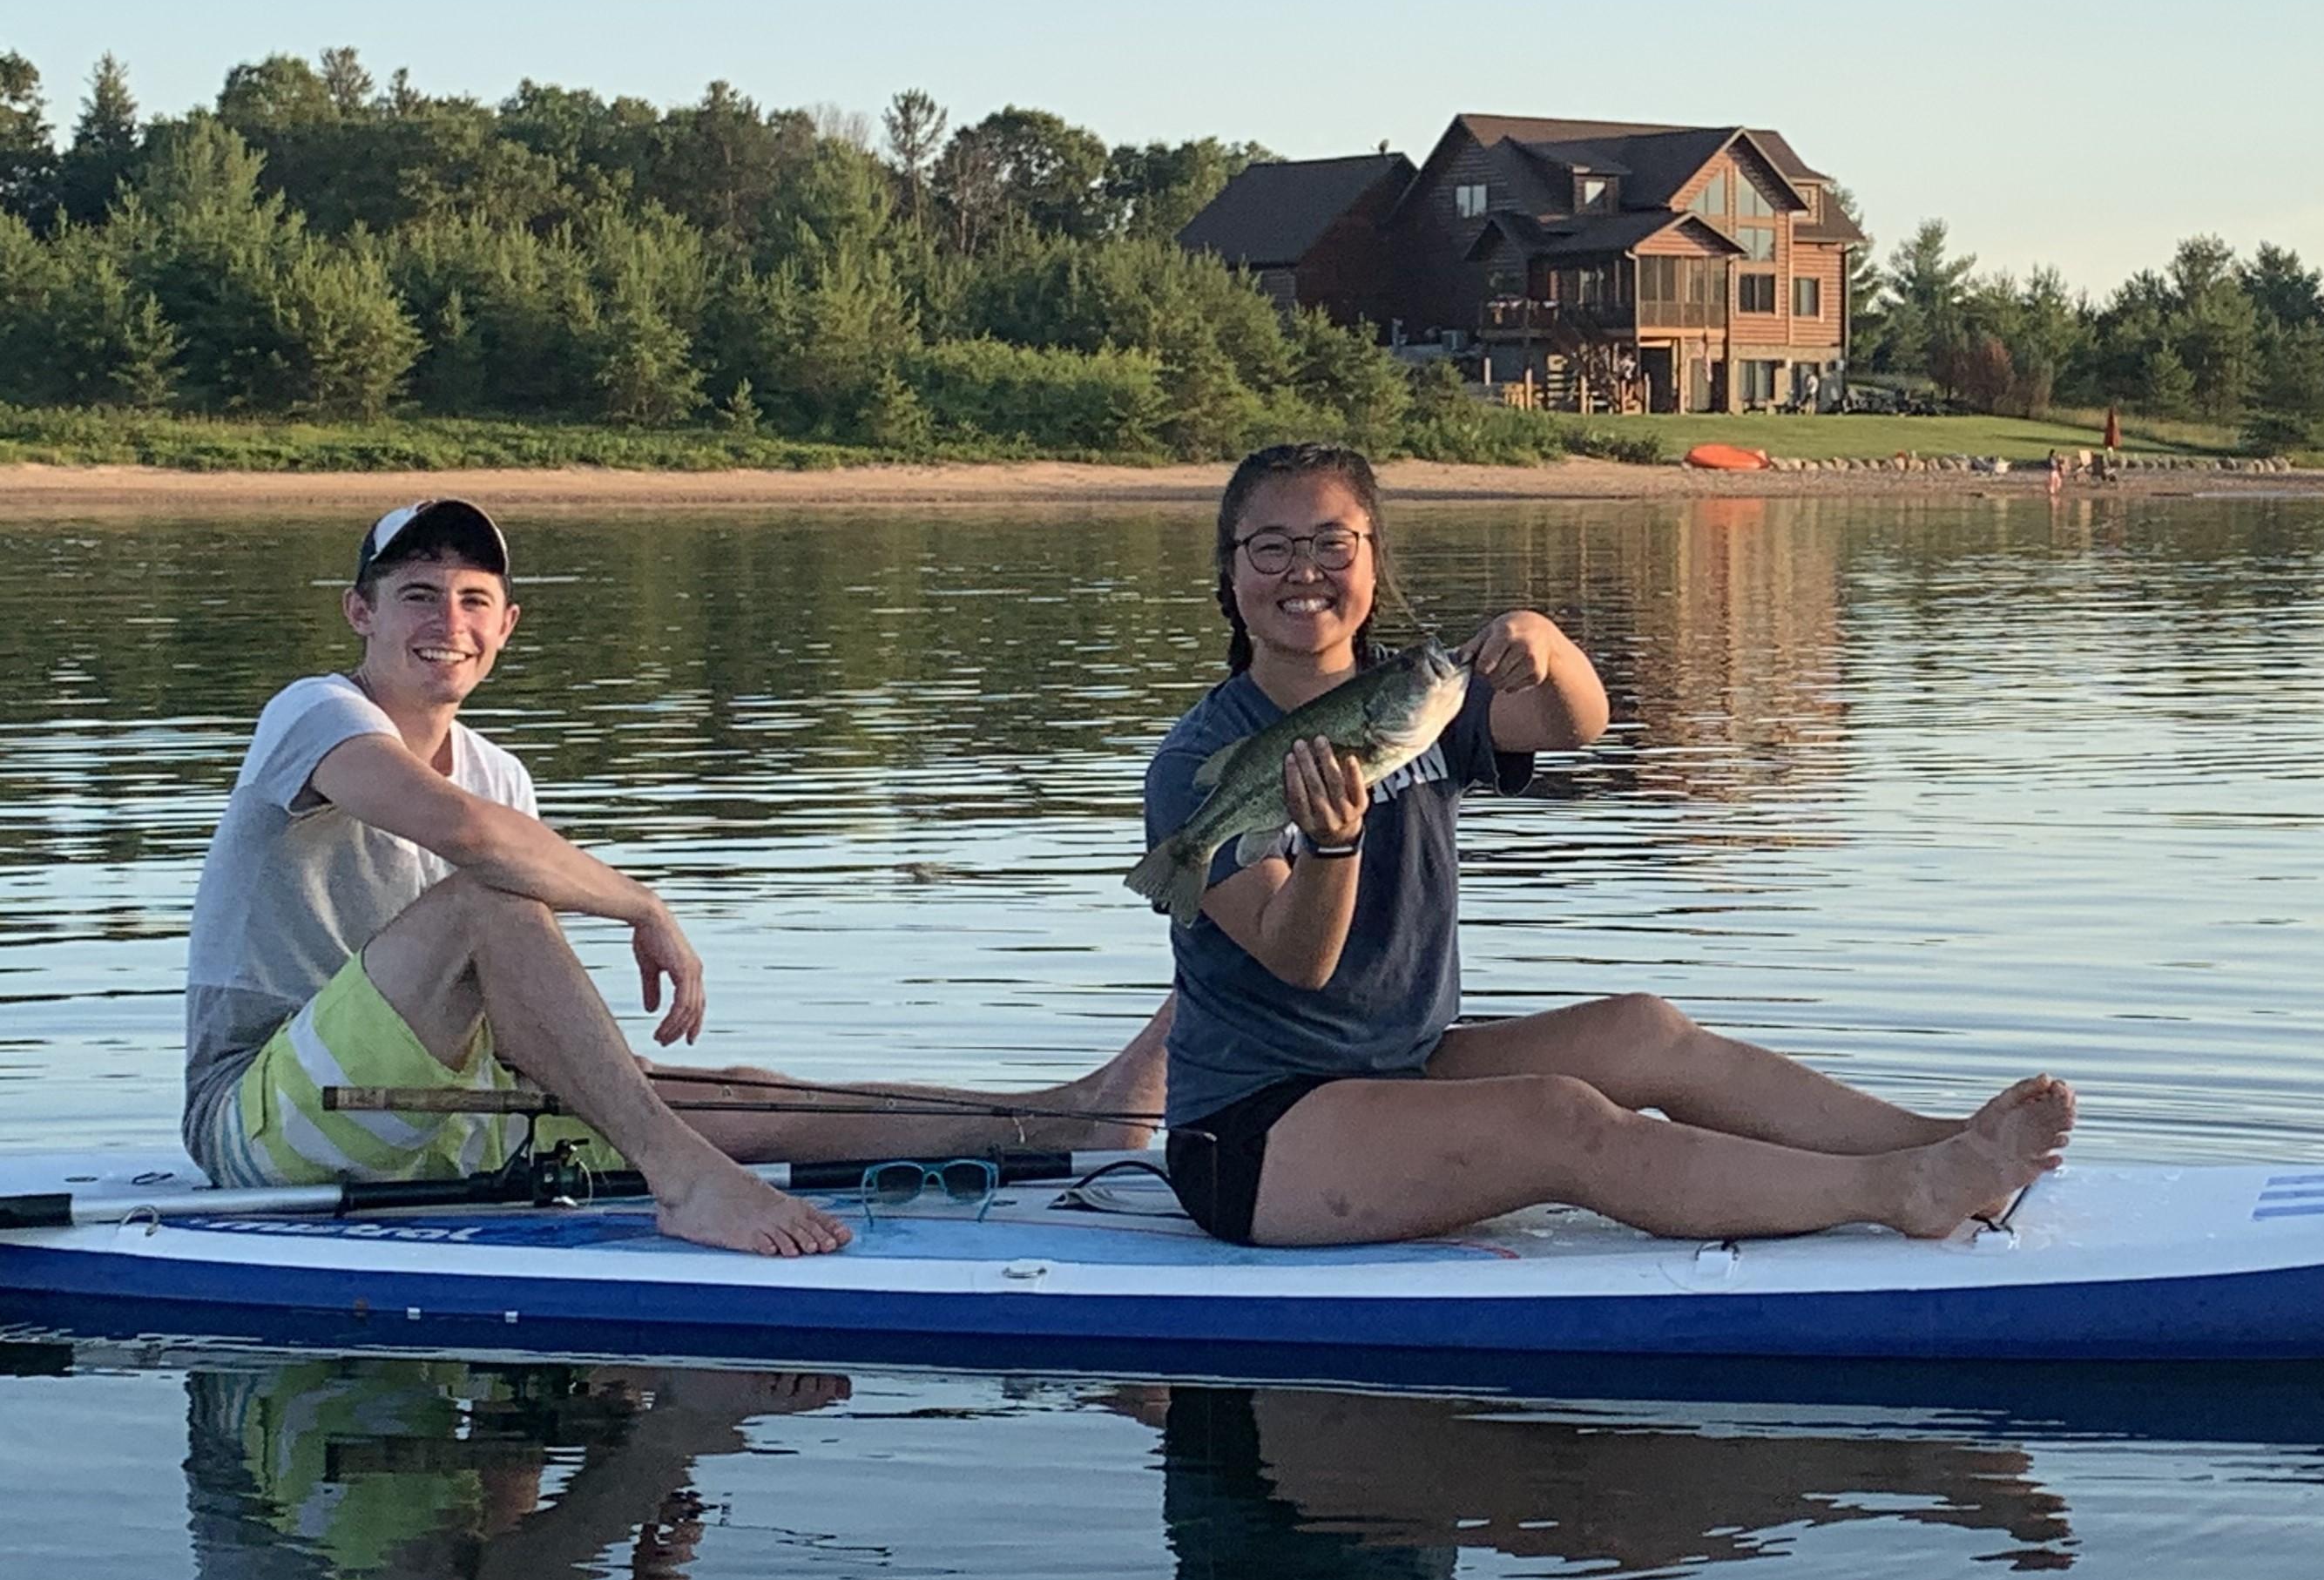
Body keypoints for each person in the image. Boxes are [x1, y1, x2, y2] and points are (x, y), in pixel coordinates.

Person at [1141, 442, 2077, 1249]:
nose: (1303, 568)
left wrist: (1546, 643)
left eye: (1332, 543)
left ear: (1373, 564)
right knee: (1559, 1121)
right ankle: (1902, 1194)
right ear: (1229, 575)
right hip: (1257, 1137)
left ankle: (1937, 1144)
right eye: (1271, 547)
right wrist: (1335, 848)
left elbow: (1574, 722)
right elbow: (1301, 961)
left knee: (1643, 1029)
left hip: (1398, 1063)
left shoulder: (1415, 703)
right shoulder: (1200, 765)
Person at [185, 497, 1163, 1257]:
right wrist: (641, 904)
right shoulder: (311, 711)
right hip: (264, 1123)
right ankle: (681, 1181)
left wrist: (628, 1089)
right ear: (360, 611)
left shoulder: (502, 772)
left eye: (474, 599)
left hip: (448, 1113)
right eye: (418, 595)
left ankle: (1069, 1116)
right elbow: (469, 843)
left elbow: (514, 979)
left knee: (744, 1096)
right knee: (496, 898)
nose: (450, 620)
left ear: (507, 624)